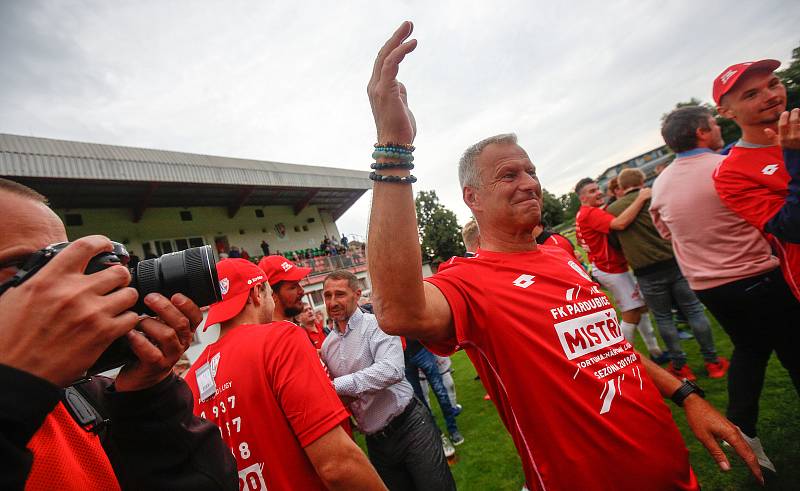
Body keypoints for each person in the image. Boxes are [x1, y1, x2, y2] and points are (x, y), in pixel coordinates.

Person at [363, 22, 762, 490]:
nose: (529, 182)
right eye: (508, 175)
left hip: (674, 469)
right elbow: (397, 309)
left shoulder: (560, 251)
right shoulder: (468, 281)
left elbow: (610, 350)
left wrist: (687, 395)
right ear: (471, 197)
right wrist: (395, 148)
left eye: (531, 170)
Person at [0, 178, 237, 490]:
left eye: (64, 262)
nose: (63, 289)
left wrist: (147, 399)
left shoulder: (84, 399)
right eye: (21, 265)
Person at [652, 104, 797, 470]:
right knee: (791, 346)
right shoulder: (725, 167)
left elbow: (665, 232)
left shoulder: (661, 184)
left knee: (750, 350)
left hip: (707, 284)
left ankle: (743, 428)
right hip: (755, 274)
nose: (718, 129)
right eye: (714, 124)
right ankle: (743, 428)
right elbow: (772, 218)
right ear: (703, 132)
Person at [185, 259, 386, 490]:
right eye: (270, 293)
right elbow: (336, 464)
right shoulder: (280, 339)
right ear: (256, 294)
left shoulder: (192, 379)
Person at [320, 270, 455, 491]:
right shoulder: (327, 347)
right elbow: (342, 398)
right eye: (327, 296)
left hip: (410, 426)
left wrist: (336, 387)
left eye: (340, 294)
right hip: (376, 442)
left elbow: (391, 370)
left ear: (357, 294)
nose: (332, 302)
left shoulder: (377, 325)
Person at [608, 168, 728, 381]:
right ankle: (712, 362)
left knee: (664, 318)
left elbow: (614, 243)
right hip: (675, 262)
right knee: (693, 311)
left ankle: (682, 368)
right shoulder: (657, 195)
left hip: (646, 271)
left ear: (622, 187)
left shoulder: (613, 209)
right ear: (642, 181)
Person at [713, 60, 800, 300]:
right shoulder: (731, 173)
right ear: (726, 112)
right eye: (751, 95)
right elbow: (791, 228)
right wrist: (795, 157)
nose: (771, 96)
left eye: (774, 84)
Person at [575, 178, 667, 363]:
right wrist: (641, 198)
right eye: (593, 191)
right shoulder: (590, 213)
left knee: (640, 307)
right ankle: (621, 359)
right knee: (631, 312)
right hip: (611, 269)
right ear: (583, 197)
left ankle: (655, 352)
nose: (599, 192)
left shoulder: (583, 214)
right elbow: (620, 224)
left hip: (607, 267)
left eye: (598, 189)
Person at [403, 338, 464, 445]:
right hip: (403, 359)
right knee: (420, 400)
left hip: (420, 350)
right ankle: (436, 433)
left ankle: (453, 429)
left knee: (440, 392)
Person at [258, 255, 312, 321]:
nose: (301, 290)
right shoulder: (286, 330)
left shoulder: (292, 327)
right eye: (293, 287)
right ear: (272, 295)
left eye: (299, 284)